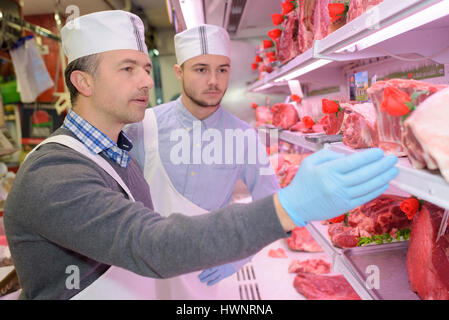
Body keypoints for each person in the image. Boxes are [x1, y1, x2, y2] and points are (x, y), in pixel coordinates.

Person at [3, 10, 399, 300]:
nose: (145, 80)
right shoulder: (55, 173)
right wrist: (287, 207)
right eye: (127, 69)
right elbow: (150, 244)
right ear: (82, 82)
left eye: (145, 67)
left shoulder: (114, 153)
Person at [124, 24, 280, 298]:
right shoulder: (142, 127)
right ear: (179, 71)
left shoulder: (243, 136)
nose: (214, 81)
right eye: (201, 69)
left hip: (203, 275)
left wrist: (238, 259)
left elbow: (271, 206)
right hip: (140, 269)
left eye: (222, 69)